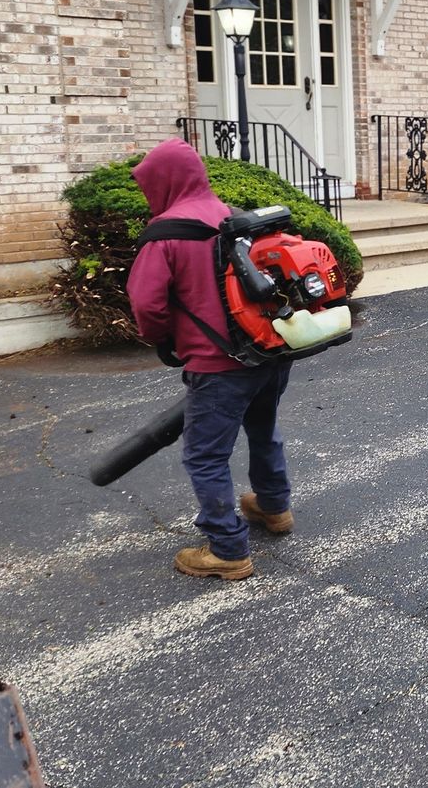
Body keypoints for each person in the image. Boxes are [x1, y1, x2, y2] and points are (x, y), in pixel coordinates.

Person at [127, 139, 295, 581]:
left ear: (164, 182)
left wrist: (162, 339)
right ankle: (274, 507)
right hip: (270, 351)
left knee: (205, 455)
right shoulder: (233, 216)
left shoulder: (164, 236)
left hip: (218, 365)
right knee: (262, 429)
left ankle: (227, 549)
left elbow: (146, 306)